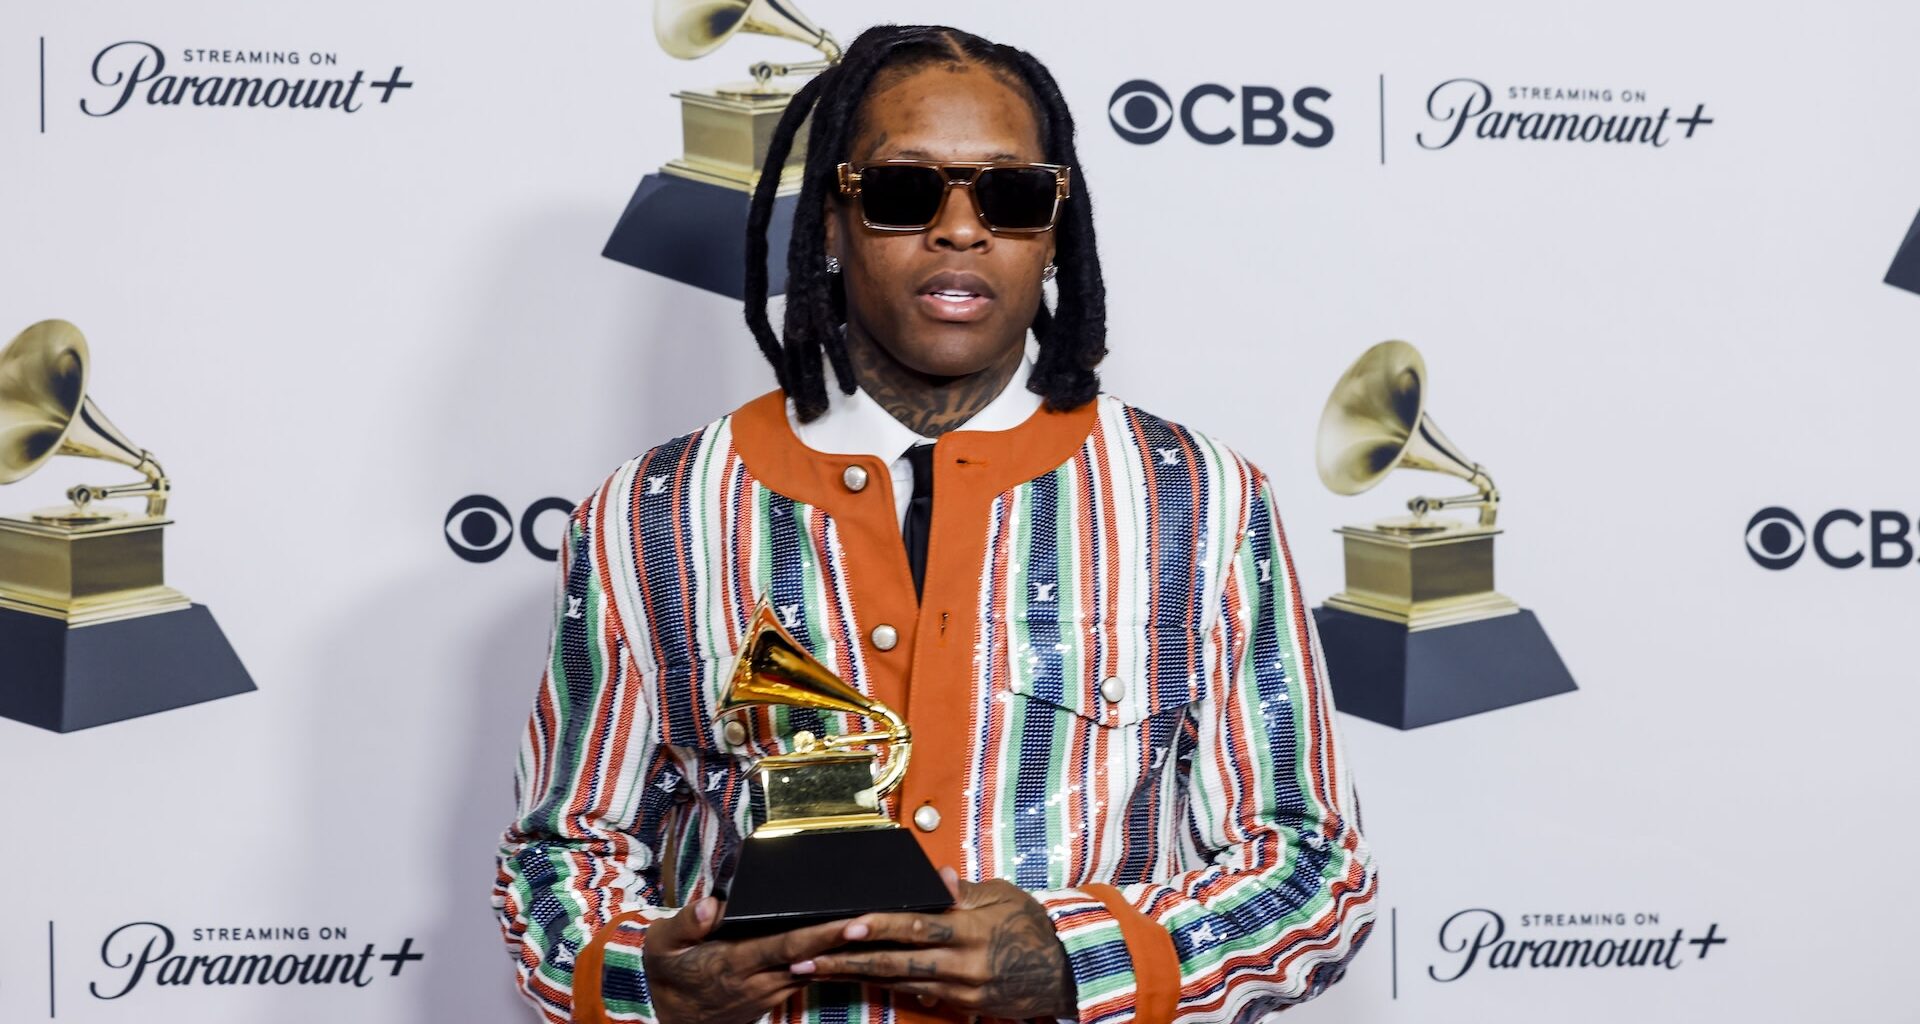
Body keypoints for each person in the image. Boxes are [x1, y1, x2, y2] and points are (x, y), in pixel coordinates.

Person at [494, 24, 1377, 1024]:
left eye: (1009, 195)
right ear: (830, 219)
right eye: (907, 193)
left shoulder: (1201, 503)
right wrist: (645, 981)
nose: (960, 230)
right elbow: (559, 853)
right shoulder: (650, 513)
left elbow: (1313, 866)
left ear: (1052, 230)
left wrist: (1080, 960)